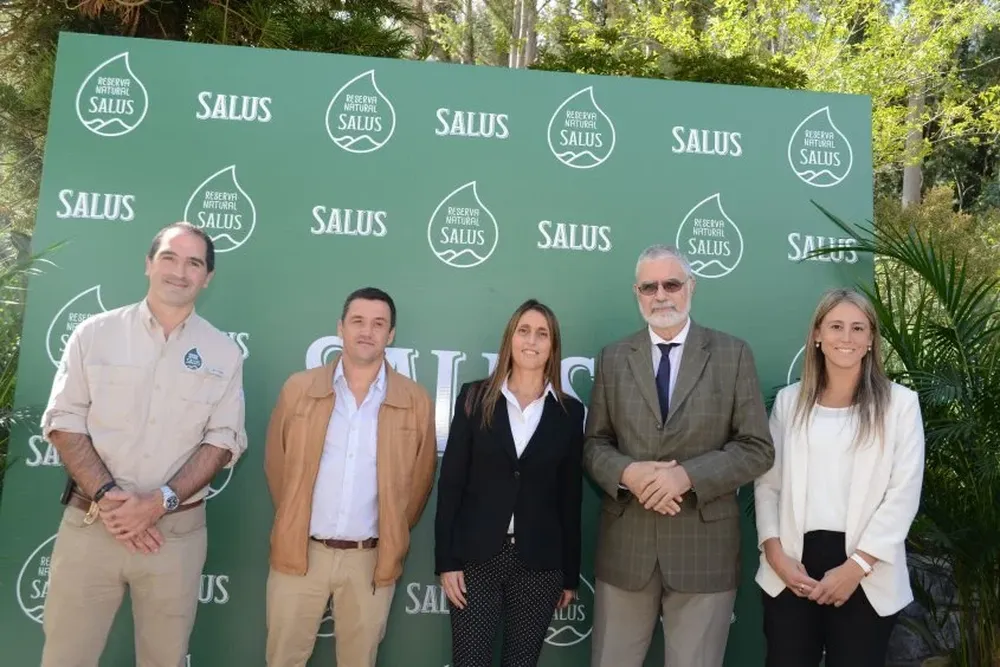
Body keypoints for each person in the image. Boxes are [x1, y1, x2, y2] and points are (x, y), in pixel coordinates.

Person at [39, 221, 248, 667]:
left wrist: (159, 502)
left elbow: (223, 441)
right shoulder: (94, 334)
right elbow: (63, 420)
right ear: (149, 264)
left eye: (194, 263)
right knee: (64, 658)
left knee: (164, 659)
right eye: (169, 257)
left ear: (207, 277)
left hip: (174, 539)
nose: (180, 270)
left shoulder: (225, 354)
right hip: (94, 526)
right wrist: (111, 499)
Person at [582, 243, 775, 667]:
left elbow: (757, 448)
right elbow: (595, 444)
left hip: (703, 551)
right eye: (649, 287)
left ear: (691, 287)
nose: (661, 295)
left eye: (671, 283)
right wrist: (628, 473)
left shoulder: (732, 354)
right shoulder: (614, 358)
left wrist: (685, 477)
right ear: (637, 293)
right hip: (626, 551)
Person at [264, 286, 437, 667]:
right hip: (300, 551)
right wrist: (295, 519)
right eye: (358, 321)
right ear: (340, 327)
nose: (367, 331)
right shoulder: (298, 389)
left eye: (379, 324)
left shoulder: (415, 400)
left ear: (391, 335)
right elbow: (278, 466)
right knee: (282, 659)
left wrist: (390, 532)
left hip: (370, 560)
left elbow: (419, 483)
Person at [753, 288, 925, 667]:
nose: (846, 338)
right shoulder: (788, 402)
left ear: (871, 340)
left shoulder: (901, 405)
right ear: (817, 335)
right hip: (792, 568)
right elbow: (768, 485)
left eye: (858, 328)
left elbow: (904, 493)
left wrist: (856, 568)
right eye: (835, 326)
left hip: (867, 570)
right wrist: (775, 554)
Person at [435, 298, 585, 667]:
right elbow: (451, 483)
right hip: (476, 558)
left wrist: (569, 574)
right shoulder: (475, 397)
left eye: (542, 333)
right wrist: (446, 561)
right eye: (524, 331)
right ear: (510, 339)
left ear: (553, 346)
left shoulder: (569, 412)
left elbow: (570, 497)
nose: (531, 340)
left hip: (539, 562)